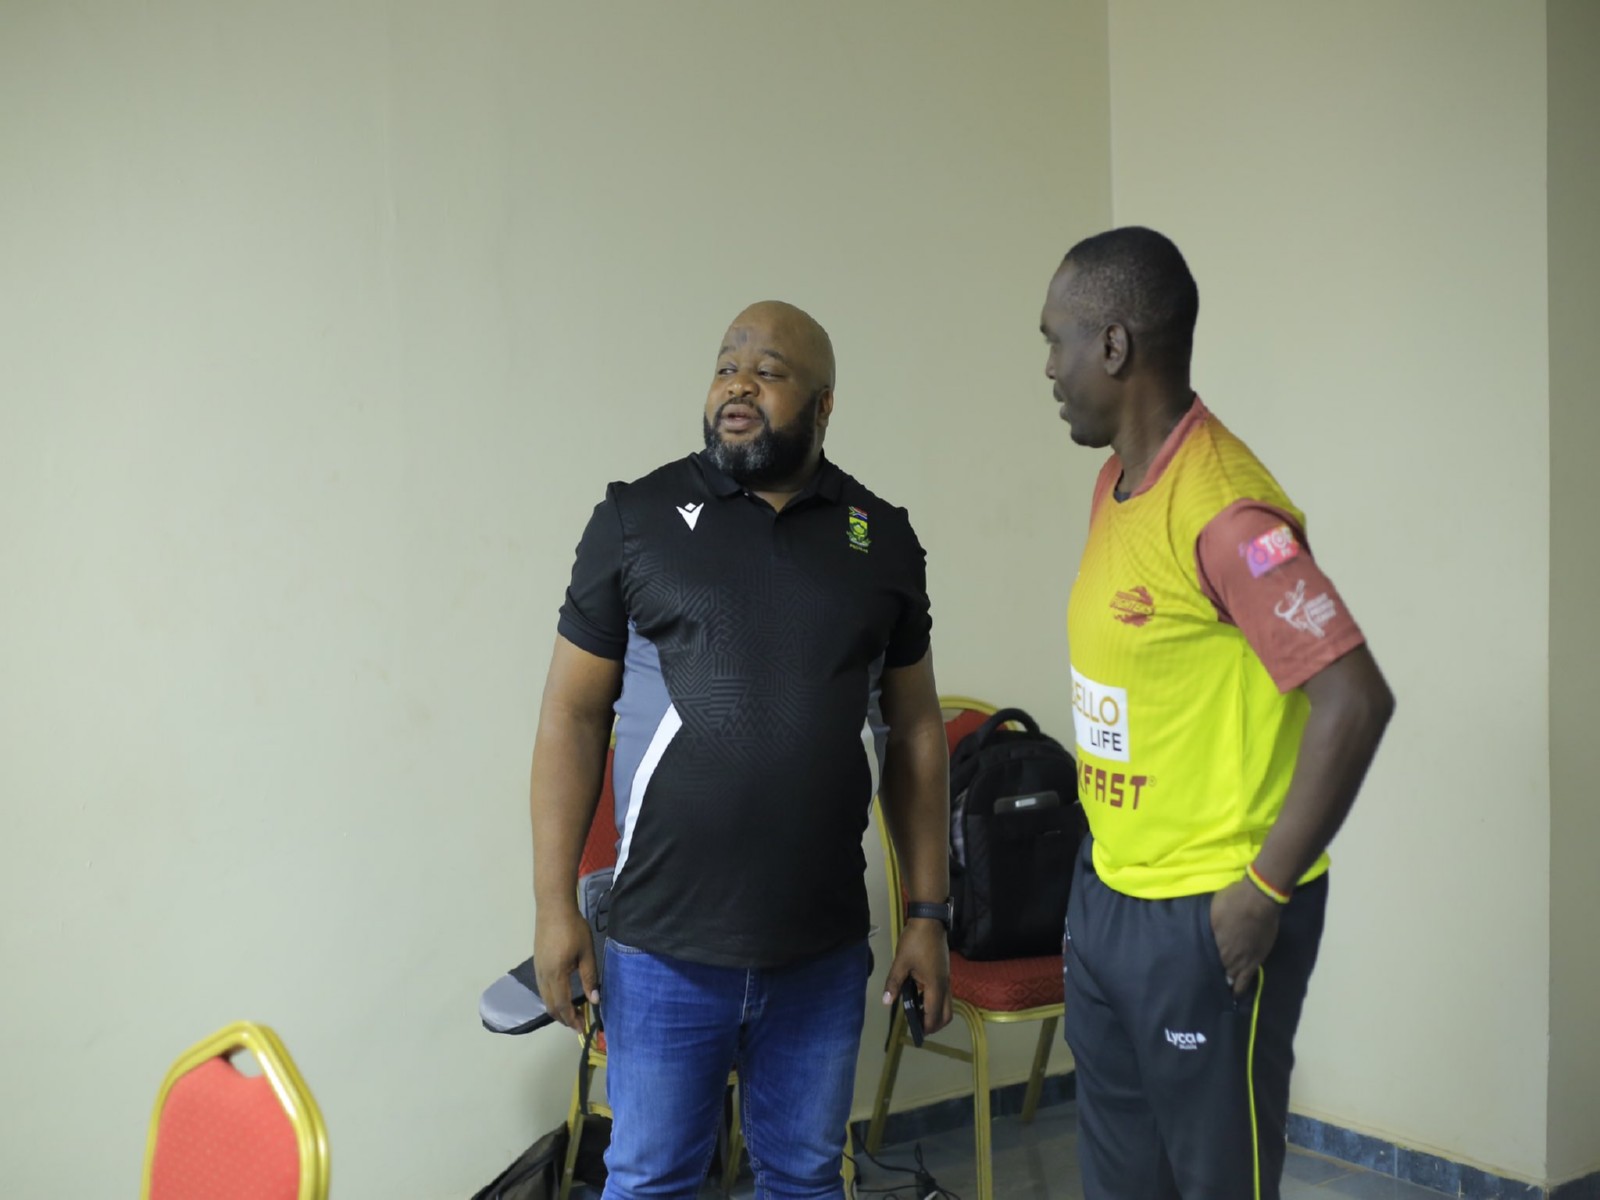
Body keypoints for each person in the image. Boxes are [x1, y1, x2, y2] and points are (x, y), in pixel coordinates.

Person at [529, 300, 953, 1200]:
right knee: (651, 1182)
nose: (738, 384)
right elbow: (571, 715)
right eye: (727, 365)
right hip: (660, 948)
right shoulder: (634, 519)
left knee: (803, 1180)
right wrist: (554, 906)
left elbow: (914, 729)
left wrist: (929, 912)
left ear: (825, 404)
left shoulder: (880, 539)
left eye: (769, 370)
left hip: (822, 950)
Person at [1039, 227, 1395, 1199]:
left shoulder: (1227, 514)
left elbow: (1354, 699)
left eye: (1056, 341)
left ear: (1113, 347)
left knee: (1214, 1182)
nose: (1048, 369)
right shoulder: (1114, 487)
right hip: (1109, 890)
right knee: (1121, 1180)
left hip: (1206, 911)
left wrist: (1262, 892)